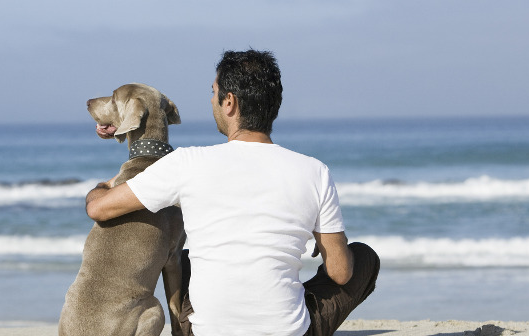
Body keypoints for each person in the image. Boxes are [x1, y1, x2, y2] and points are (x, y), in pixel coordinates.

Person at [85, 49, 380, 336]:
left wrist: (103, 187)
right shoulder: (315, 171)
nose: (211, 100)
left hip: (203, 331)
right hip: (288, 332)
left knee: (184, 259)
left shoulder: (187, 162)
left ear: (230, 102)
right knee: (364, 257)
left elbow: (99, 209)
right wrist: (332, 241)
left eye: (213, 93)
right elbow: (341, 273)